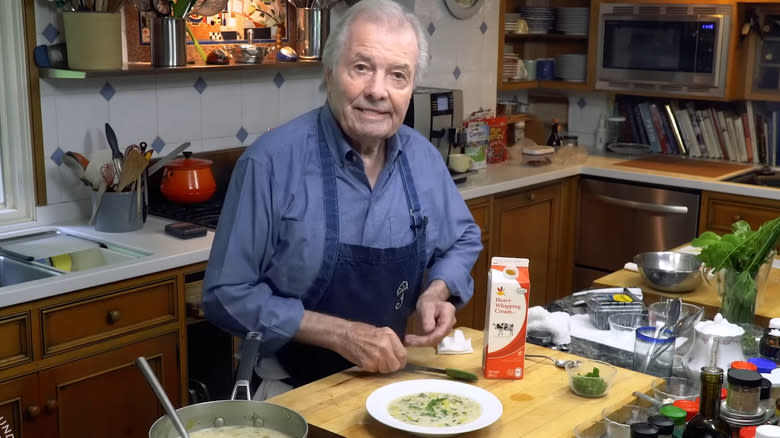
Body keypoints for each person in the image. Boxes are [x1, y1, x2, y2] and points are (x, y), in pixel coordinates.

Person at [202, 0, 482, 398]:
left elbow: (463, 239)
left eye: (397, 75)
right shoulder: (269, 164)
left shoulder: (422, 159)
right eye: (362, 68)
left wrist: (439, 291)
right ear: (330, 72)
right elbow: (224, 296)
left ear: (411, 88)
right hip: (293, 392)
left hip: (393, 384)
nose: (377, 91)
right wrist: (340, 333)